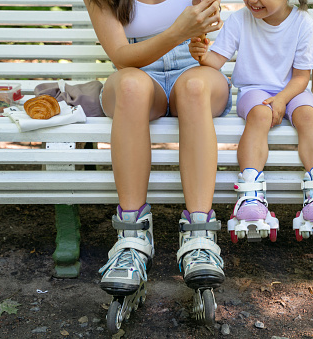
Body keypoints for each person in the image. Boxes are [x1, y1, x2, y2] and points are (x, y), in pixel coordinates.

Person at [84, 0, 231, 318]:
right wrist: (178, 30)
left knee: (193, 87)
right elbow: (122, 57)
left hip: (193, 70)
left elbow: (215, 26)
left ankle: (200, 237)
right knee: (131, 87)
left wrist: (202, 32)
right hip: (136, 74)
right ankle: (132, 240)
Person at [189, 0, 313, 242]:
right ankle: (250, 192)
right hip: (254, 90)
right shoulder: (240, 20)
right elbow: (215, 62)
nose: (253, 1)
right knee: (260, 114)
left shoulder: (303, 23)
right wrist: (202, 55)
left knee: (307, 115)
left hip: (293, 89)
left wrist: (282, 99)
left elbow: (301, 77)